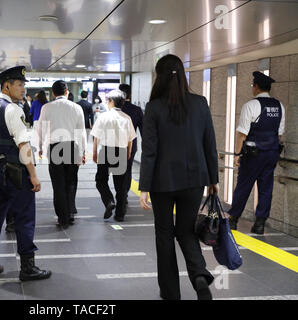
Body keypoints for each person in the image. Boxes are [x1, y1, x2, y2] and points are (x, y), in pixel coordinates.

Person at [139, 54, 219, 300]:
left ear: (159, 77)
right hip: (194, 181)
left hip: (162, 184)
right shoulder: (200, 103)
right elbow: (210, 144)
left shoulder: (153, 108)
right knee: (185, 231)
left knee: (164, 235)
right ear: (182, 75)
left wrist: (144, 187)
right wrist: (213, 179)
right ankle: (199, 277)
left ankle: (171, 293)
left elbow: (149, 150)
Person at [0, 66, 51, 281]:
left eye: (23, 85)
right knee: (25, 216)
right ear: (7, 86)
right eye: (19, 85)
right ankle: (28, 267)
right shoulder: (13, 110)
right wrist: (34, 175)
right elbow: (23, 145)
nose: (22, 89)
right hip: (14, 172)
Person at [228, 71, 285, 234]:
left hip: (253, 154)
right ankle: (260, 223)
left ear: (257, 87)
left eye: (253, 85)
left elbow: (242, 134)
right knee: (266, 187)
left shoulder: (251, 105)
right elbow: (279, 134)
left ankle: (233, 219)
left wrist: (237, 154)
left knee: (244, 185)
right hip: (272, 152)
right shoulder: (279, 106)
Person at [37, 81, 87, 228]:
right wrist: (83, 151)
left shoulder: (46, 107)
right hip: (72, 146)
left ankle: (62, 217)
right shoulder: (76, 107)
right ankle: (70, 212)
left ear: (53, 93)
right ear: (67, 92)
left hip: (55, 148)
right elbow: (81, 132)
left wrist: (40, 147)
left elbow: (40, 128)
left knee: (58, 183)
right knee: (71, 181)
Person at [91, 89, 136, 221]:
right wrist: (127, 153)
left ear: (111, 102)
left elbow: (96, 137)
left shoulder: (103, 117)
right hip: (121, 151)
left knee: (100, 180)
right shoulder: (127, 118)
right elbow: (130, 140)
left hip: (106, 150)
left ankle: (109, 201)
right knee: (121, 185)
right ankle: (120, 214)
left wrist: (94, 153)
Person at [119, 83, 144, 216]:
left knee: (118, 171)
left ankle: (120, 195)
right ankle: (124, 195)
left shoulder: (116, 110)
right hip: (131, 145)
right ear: (130, 94)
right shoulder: (137, 110)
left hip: (115, 145)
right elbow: (144, 130)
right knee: (127, 170)